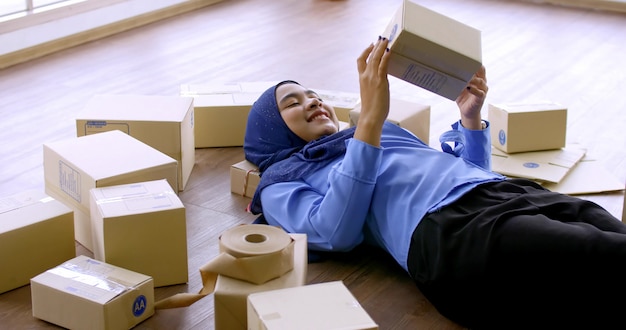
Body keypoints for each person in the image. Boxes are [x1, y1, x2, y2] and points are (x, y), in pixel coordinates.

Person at [243, 36, 626, 329]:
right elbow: (334, 231)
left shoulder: (372, 133)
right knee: (600, 253)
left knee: (602, 232)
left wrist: (470, 120)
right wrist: (370, 123)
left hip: (503, 193)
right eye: (292, 103)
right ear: (270, 129)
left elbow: (455, 171)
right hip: (449, 233)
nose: (312, 101)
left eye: (313, 95)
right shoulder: (281, 181)